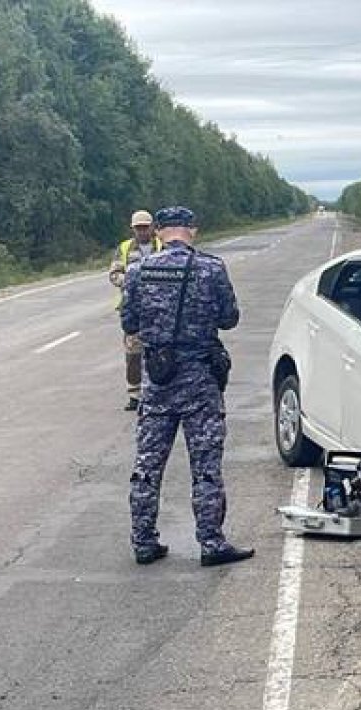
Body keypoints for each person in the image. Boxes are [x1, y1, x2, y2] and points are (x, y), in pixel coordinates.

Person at [121, 206, 254, 567]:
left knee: (148, 464)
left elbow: (129, 323)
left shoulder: (138, 271)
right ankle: (211, 543)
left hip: (158, 381)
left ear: (159, 231)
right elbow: (229, 319)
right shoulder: (211, 268)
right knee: (205, 465)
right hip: (200, 382)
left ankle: (143, 542)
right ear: (192, 230)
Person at [109, 210, 163, 411]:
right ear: (132, 229)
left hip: (160, 307)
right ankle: (134, 394)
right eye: (138, 228)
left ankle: (160, 390)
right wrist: (132, 282)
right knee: (133, 353)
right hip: (134, 308)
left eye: (145, 227)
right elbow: (114, 274)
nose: (142, 231)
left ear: (152, 227)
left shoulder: (163, 246)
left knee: (161, 349)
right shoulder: (124, 248)